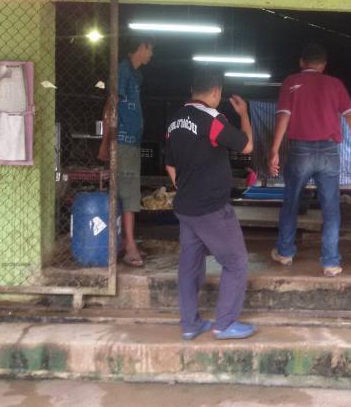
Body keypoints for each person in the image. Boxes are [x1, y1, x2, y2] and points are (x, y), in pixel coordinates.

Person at [164, 68, 256, 340]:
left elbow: (170, 165)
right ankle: (224, 324)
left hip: (186, 207)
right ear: (216, 92)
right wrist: (244, 114)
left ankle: (190, 325)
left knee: (190, 265)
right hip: (211, 208)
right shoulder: (212, 119)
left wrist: (187, 189)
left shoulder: (174, 121)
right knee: (236, 261)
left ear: (193, 90)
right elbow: (246, 146)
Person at [268, 43, 351, 277]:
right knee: (331, 208)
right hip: (329, 151)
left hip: (300, 150)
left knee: (291, 202)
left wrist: (274, 150)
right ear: (324, 65)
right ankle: (330, 263)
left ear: (301, 62)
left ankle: (285, 253)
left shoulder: (291, 82)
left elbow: (283, 117)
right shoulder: (335, 84)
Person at [98, 35, 154, 267]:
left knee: (125, 191)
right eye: (151, 49)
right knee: (129, 193)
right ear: (142, 47)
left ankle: (123, 241)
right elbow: (111, 106)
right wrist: (105, 142)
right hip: (122, 142)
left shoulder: (135, 74)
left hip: (131, 142)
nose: (152, 55)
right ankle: (129, 246)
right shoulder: (123, 70)